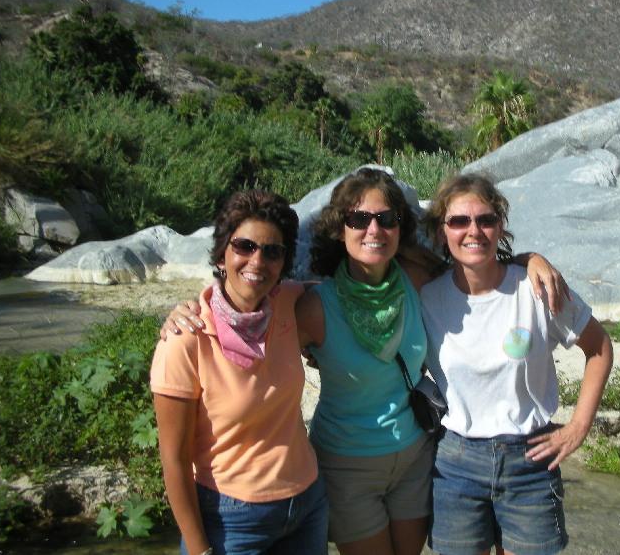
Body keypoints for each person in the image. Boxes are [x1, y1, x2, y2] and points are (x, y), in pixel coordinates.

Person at [164, 168, 568, 555]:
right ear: (341, 229)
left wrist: (529, 259)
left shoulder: (416, 279)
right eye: (358, 219)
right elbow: (246, 297)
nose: (373, 229)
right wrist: (191, 309)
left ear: (399, 229)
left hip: (415, 458)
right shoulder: (310, 306)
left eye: (385, 218)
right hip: (345, 466)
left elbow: (475, 261)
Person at [420, 173, 613, 555]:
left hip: (530, 460)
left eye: (485, 220)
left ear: (500, 226)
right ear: (442, 232)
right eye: (459, 221)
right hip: (455, 464)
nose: (473, 230)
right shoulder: (426, 297)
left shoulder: (537, 288)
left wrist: (579, 426)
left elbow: (600, 348)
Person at [150, 190, 328, 555]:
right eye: (244, 246)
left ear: (283, 263)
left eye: (272, 251)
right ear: (221, 253)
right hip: (231, 519)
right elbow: (174, 460)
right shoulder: (186, 338)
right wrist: (199, 550)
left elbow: (349, 292)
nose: (257, 261)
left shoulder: (288, 302)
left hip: (307, 503)